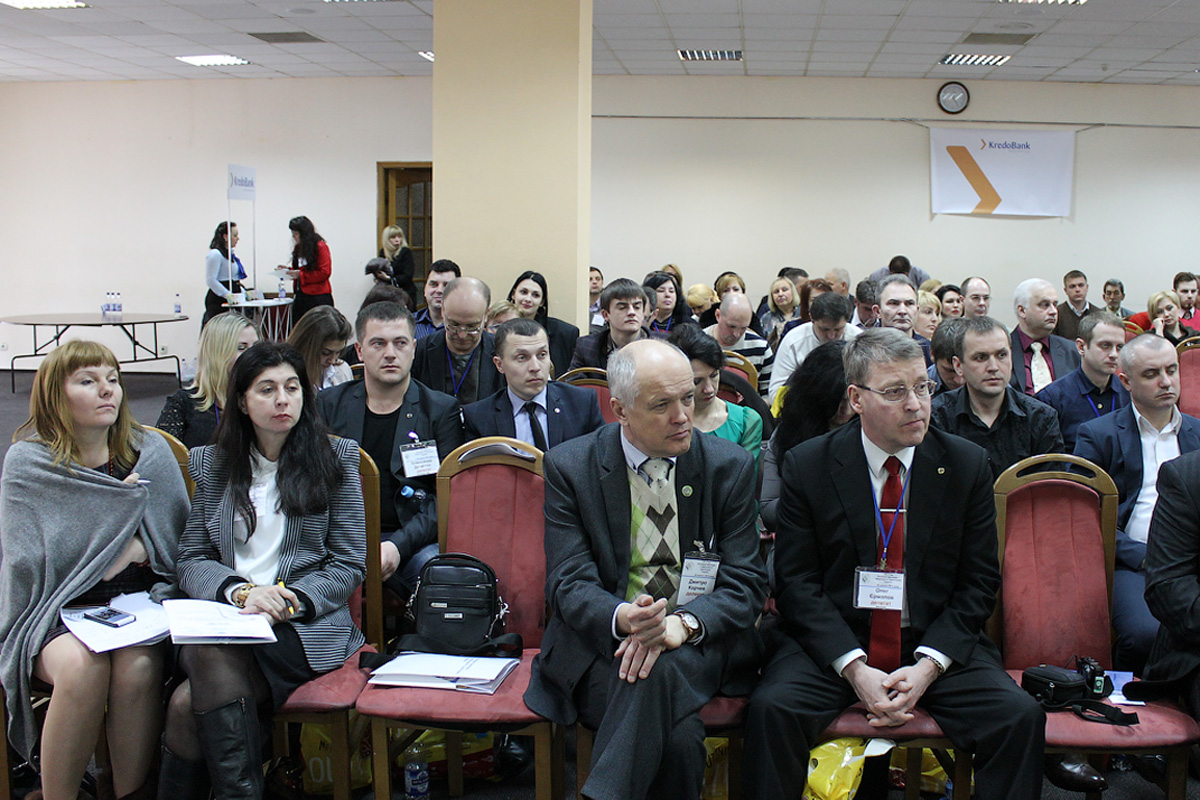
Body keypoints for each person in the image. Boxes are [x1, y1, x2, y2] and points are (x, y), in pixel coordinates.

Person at [744, 327, 1045, 800]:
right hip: (836, 641)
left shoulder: (965, 464)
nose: (916, 405)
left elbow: (979, 582)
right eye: (894, 392)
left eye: (922, 387)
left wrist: (928, 666)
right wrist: (854, 667)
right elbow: (797, 583)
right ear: (856, 399)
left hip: (932, 640)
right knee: (772, 710)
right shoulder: (810, 465)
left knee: (1018, 718)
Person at [524, 339, 767, 800]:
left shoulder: (727, 466)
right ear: (620, 410)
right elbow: (567, 580)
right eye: (662, 404)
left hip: (700, 642)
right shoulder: (571, 467)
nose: (682, 416)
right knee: (678, 738)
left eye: (688, 398)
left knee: (658, 672)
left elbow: (747, 583)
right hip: (605, 645)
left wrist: (681, 625)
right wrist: (625, 619)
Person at [157, 341, 365, 798]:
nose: (282, 400)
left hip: (300, 626)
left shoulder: (336, 459)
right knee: (202, 671)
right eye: (267, 389)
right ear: (241, 401)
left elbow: (349, 563)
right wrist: (240, 592)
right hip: (227, 616)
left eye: (292, 387)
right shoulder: (212, 464)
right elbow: (191, 558)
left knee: (187, 700)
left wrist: (288, 601)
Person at [0, 340, 189, 800]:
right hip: (52, 609)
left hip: (138, 604)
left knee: (138, 668)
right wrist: (114, 540)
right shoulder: (29, 463)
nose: (107, 390)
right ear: (55, 395)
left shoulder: (148, 451)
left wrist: (138, 549)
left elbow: (182, 544)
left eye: (113, 380)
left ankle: (124, 793)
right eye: (88, 381)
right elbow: (26, 563)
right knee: (83, 668)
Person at [319, 302, 464, 595]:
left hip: (412, 539)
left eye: (400, 343)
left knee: (436, 573)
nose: (390, 353)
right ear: (359, 350)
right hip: (341, 538)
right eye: (378, 343)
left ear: (413, 348)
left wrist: (398, 545)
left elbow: (447, 497)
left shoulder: (440, 410)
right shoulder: (329, 404)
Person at [1075, 334, 1200, 674]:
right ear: (1126, 381)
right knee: (1147, 634)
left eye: (1171, 370)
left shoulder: (1197, 433)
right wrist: (1144, 556)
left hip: (1191, 561)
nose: (1166, 382)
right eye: (1151, 374)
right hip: (1133, 561)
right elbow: (1085, 517)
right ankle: (1144, 691)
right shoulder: (1099, 435)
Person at [931, 316, 1063, 480]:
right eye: (981, 357)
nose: (993, 367)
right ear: (958, 366)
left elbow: (1050, 488)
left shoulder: (1041, 418)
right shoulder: (937, 418)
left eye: (1001, 355)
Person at [462, 318, 605, 449]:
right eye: (522, 357)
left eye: (542, 355)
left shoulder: (581, 403)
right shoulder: (479, 417)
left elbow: (600, 459)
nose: (535, 367)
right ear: (499, 364)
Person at [759, 340, 851, 533]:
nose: (846, 410)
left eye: (852, 400)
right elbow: (768, 511)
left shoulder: (870, 430)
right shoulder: (789, 431)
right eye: (836, 401)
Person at [158, 312, 259, 449]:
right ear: (217, 353)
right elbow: (162, 455)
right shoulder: (183, 404)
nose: (253, 354)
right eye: (241, 348)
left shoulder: (267, 401)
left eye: (256, 346)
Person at [1036, 312, 1129, 452]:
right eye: (1105, 345)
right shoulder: (1051, 398)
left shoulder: (1129, 393)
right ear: (1081, 347)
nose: (1114, 354)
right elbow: (1049, 458)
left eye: (1119, 347)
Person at [671, 325, 763, 467]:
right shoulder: (666, 421)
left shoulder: (746, 421)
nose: (709, 389)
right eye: (697, 381)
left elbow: (747, 477)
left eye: (714, 375)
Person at [411, 276, 502, 404]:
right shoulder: (420, 351)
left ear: (486, 315)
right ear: (442, 311)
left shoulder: (501, 352)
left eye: (472, 327)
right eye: (453, 325)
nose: (462, 335)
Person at [769, 292, 860, 400]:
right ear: (811, 319)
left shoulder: (858, 340)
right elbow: (776, 393)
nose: (831, 336)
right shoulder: (793, 341)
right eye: (824, 329)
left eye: (838, 329)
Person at [1010, 278, 1081, 396]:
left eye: (1055, 304)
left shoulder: (1072, 351)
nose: (1053, 311)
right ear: (1022, 311)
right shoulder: (1003, 350)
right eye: (1044, 305)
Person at [571, 278, 656, 371]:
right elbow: (575, 379)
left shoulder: (662, 344)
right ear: (606, 315)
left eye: (637, 307)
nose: (631, 312)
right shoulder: (587, 346)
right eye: (622, 307)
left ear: (643, 312)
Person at [507, 270, 580, 377]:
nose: (528, 299)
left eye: (535, 295)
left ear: (542, 302)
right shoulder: (497, 327)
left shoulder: (565, 333)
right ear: (514, 294)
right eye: (523, 292)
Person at [704, 293, 774, 399]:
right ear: (718, 315)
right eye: (731, 326)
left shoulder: (761, 348)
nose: (736, 334)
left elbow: (768, 395)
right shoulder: (698, 343)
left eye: (743, 328)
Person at [286, 305, 353, 391]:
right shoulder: (286, 375)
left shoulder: (342, 370)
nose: (332, 360)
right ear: (306, 345)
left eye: (338, 352)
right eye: (325, 353)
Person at [280, 215, 334, 321]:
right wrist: (288, 271)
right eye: (292, 233)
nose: (293, 237)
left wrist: (300, 275)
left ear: (304, 234)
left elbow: (324, 272)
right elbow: (301, 270)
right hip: (301, 295)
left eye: (296, 233)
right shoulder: (298, 248)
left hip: (318, 297)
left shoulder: (320, 246)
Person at [874, 275, 932, 367]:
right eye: (894, 303)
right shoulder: (863, 349)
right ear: (877, 311)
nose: (902, 311)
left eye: (909, 304)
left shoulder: (929, 350)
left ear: (917, 310)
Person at [203, 221, 247, 327]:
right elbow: (211, 280)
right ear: (225, 237)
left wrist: (244, 292)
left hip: (233, 295)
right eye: (235, 235)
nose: (237, 238)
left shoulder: (230, 254)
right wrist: (227, 295)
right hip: (220, 298)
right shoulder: (215, 254)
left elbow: (234, 278)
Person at [414, 259, 461, 340]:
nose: (439, 290)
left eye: (446, 285)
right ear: (425, 289)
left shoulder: (467, 325)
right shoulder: (408, 323)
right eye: (434, 284)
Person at [1054, 270, 1101, 341]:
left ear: (1087, 287)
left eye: (1081, 285)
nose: (1077, 289)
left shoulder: (1099, 314)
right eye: (1072, 286)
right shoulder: (1056, 314)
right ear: (1065, 290)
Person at [379, 223, 418, 307]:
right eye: (393, 237)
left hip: (405, 292)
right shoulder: (382, 253)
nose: (397, 240)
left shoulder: (405, 252)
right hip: (388, 293)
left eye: (399, 237)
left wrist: (389, 279)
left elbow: (408, 275)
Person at [927, 317, 966, 397]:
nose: (959, 380)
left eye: (965, 370)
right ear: (932, 354)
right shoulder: (922, 388)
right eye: (950, 371)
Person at [759, 277, 801, 347]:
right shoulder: (766, 318)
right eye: (776, 292)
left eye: (784, 290)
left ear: (793, 292)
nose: (780, 294)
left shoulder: (803, 313)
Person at [867, 254, 931, 288]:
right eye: (895, 276)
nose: (899, 279)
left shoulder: (922, 276)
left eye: (903, 275)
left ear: (910, 269)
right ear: (889, 271)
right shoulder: (876, 277)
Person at [588, 267, 605, 332]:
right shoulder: (578, 306)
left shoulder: (608, 304)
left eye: (598, 279)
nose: (594, 282)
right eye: (590, 279)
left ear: (602, 282)